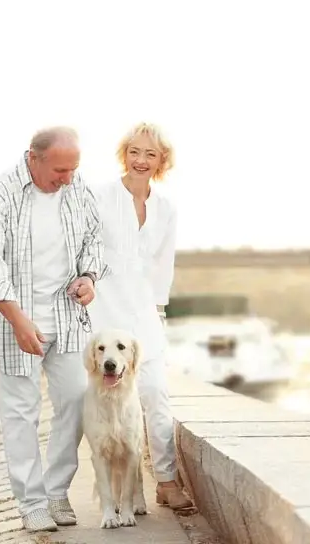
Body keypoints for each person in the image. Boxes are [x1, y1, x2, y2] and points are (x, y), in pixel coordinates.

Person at [0, 126, 109, 533]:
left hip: (66, 319)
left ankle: (55, 491)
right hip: (14, 321)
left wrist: (89, 276)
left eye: (73, 170)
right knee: (20, 414)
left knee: (77, 402)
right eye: (60, 170)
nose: (67, 178)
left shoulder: (76, 187)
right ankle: (31, 502)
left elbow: (95, 240)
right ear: (33, 156)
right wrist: (18, 320)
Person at [87, 122, 193, 510]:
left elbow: (164, 264)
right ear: (124, 154)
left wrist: (158, 313)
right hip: (104, 313)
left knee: (154, 393)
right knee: (101, 402)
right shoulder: (99, 197)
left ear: (162, 161)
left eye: (150, 154)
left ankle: (165, 480)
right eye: (135, 151)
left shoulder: (166, 209)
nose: (141, 160)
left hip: (145, 315)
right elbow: (84, 251)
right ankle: (108, 489)